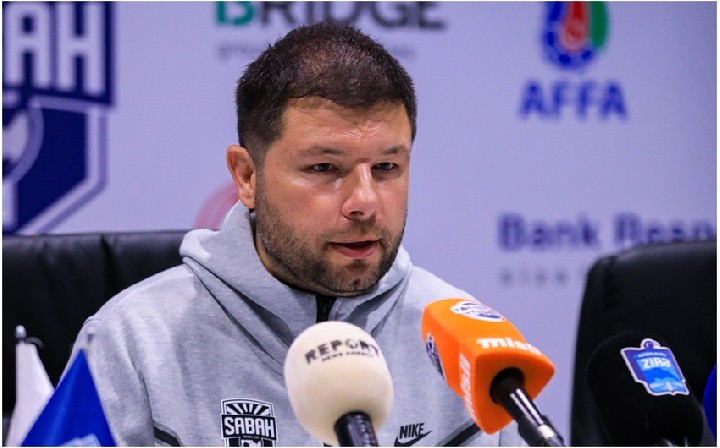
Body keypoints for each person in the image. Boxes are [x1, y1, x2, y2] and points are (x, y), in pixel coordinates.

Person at [71, 22, 523, 446]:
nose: (365, 202)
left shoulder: (464, 345)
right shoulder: (132, 342)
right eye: (324, 168)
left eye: (387, 167)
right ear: (247, 176)